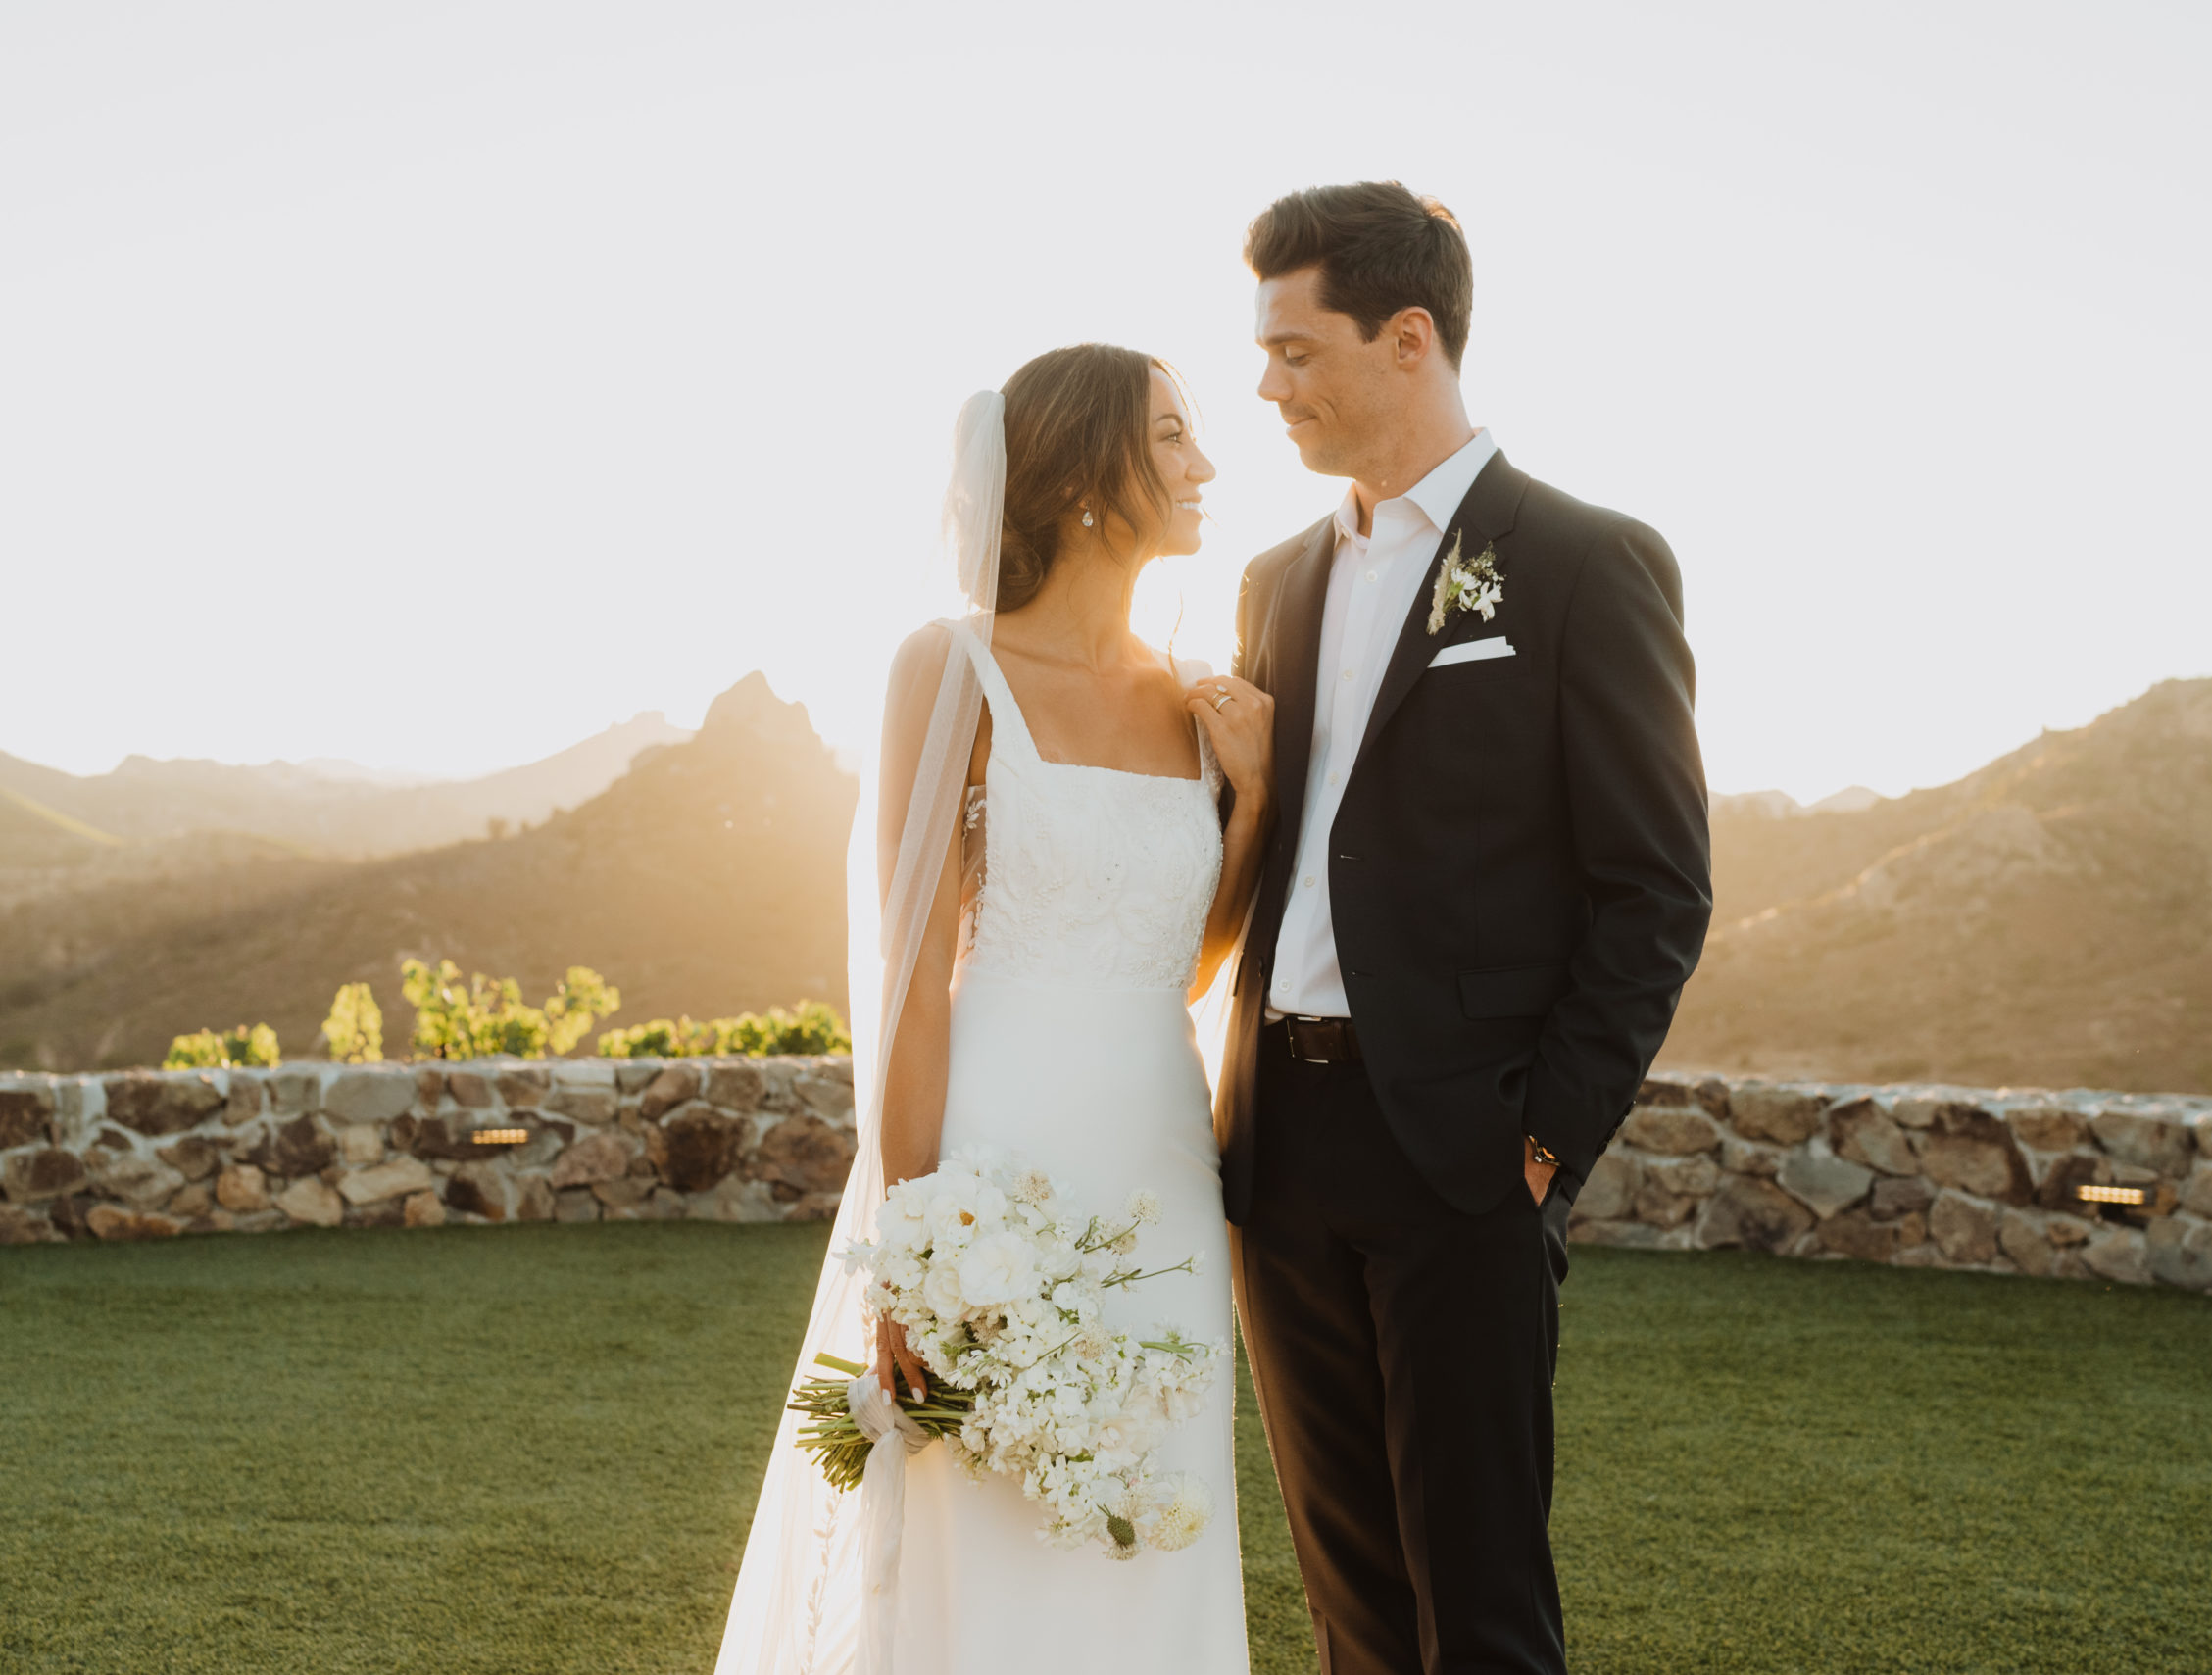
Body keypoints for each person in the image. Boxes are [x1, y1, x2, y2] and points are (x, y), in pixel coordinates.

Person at [713, 344, 1275, 1675]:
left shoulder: (1197, 695)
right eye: (1173, 436)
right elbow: (909, 975)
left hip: (1160, 1161)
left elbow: (1187, 964)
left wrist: (1246, 800)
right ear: (1087, 474)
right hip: (993, 1161)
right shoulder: (949, 667)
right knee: (986, 1515)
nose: (1204, 465)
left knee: (1150, 1514)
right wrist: (914, 1244)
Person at [1219, 182, 1714, 1675]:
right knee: (1350, 1596)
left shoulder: (1581, 561)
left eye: (1299, 350)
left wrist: (1544, 1141)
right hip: (1279, 1142)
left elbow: (1656, 889)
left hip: (1465, 1151)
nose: (1267, 384)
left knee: (1482, 1604)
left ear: (1410, 337)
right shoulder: (1275, 581)